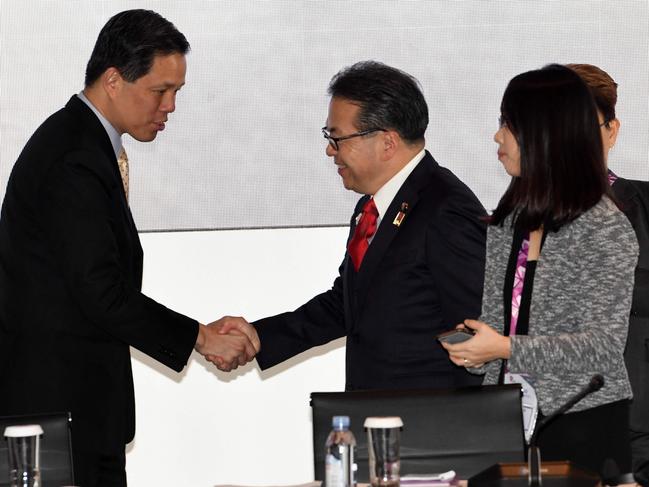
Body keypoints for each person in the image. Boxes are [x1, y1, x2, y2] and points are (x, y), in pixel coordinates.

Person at [0, 10, 258, 486]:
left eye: (177, 92)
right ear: (114, 79)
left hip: (77, 413)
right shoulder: (73, 157)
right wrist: (200, 336)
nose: (170, 107)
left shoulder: (83, 142)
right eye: (160, 91)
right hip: (58, 421)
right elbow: (102, 292)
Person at [221, 61, 486, 390]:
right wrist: (260, 337)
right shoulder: (371, 208)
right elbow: (346, 304)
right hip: (379, 415)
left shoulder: (446, 208)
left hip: (432, 422)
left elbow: (474, 328)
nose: (330, 150)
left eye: (338, 138)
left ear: (387, 141)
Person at [441, 64, 638, 480]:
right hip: (507, 417)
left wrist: (504, 348)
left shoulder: (604, 226)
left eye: (509, 124)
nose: (497, 136)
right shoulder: (508, 220)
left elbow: (603, 346)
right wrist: (477, 348)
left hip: (583, 421)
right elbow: (500, 325)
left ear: (547, 133)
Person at [568, 62, 649, 486]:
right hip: (549, 429)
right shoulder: (515, 224)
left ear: (611, 131)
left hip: (638, 435)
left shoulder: (644, 206)